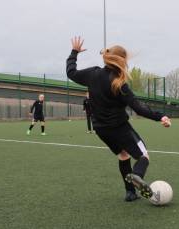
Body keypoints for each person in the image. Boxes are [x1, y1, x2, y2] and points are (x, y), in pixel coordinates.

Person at [66, 37, 171, 202]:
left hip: (101, 129)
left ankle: (130, 193)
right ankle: (136, 176)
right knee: (143, 156)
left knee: (123, 155)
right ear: (123, 61)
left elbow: (71, 73)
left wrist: (74, 53)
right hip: (120, 128)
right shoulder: (119, 83)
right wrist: (160, 116)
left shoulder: (92, 74)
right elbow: (138, 109)